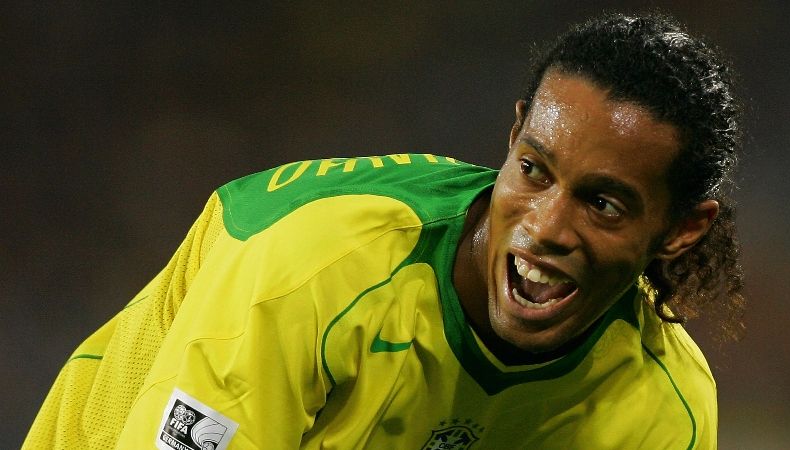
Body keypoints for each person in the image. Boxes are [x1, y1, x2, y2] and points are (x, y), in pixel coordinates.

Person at [24, 12, 745, 449]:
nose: (545, 226)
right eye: (533, 170)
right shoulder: (313, 263)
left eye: (604, 204)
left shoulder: (657, 406)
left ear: (682, 229)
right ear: (515, 132)